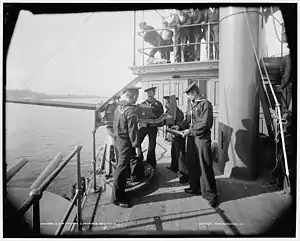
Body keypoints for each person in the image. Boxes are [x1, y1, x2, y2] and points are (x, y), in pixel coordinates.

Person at [181, 82, 218, 207]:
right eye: (188, 95)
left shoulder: (205, 104)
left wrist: (189, 131)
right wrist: (180, 126)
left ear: (196, 92)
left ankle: (211, 194)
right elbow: (187, 120)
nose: (189, 97)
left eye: (190, 94)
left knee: (205, 165)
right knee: (192, 163)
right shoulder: (191, 104)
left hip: (202, 139)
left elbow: (205, 123)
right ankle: (195, 187)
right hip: (191, 139)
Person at [111, 86, 142, 208]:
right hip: (125, 143)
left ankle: (121, 190)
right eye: (136, 97)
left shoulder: (119, 108)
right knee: (122, 169)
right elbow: (133, 132)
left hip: (118, 141)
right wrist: (137, 147)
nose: (136, 99)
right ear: (134, 96)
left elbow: (114, 124)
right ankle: (116, 198)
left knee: (122, 167)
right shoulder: (130, 112)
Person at [163, 95, 189, 183]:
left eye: (167, 103)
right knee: (173, 151)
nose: (165, 104)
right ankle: (174, 166)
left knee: (180, 155)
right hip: (174, 136)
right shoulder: (169, 112)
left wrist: (175, 127)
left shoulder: (179, 113)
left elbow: (180, 125)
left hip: (179, 136)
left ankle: (183, 176)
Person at [138, 87, 164, 168]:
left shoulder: (158, 104)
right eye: (148, 93)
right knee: (137, 142)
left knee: (152, 146)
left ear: (154, 94)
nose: (150, 95)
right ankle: (139, 160)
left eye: (151, 93)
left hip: (153, 127)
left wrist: (154, 116)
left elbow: (161, 116)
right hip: (144, 126)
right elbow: (139, 115)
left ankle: (151, 163)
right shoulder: (143, 103)